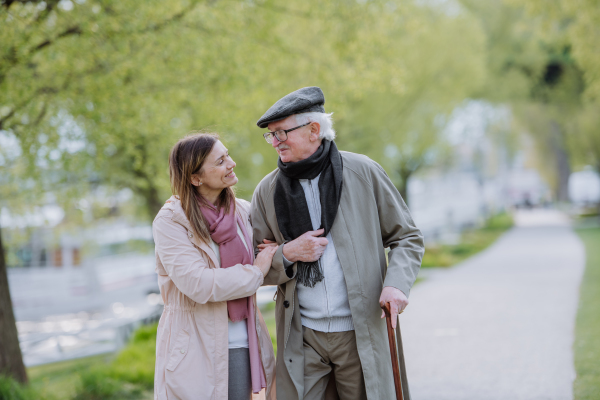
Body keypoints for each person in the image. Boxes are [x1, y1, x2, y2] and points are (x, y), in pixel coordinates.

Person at [251, 87, 424, 400]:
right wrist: (288, 254)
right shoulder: (267, 191)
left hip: (359, 332)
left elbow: (406, 236)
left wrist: (396, 284)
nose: (275, 142)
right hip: (302, 336)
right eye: (271, 136)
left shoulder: (363, 172)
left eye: (281, 133)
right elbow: (256, 266)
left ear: (314, 130)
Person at [152, 133, 277, 400]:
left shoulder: (243, 212)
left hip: (243, 343)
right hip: (195, 351)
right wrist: (255, 271)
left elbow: (271, 255)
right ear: (195, 178)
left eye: (227, 155)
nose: (231, 163)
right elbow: (198, 283)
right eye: (220, 161)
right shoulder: (172, 221)